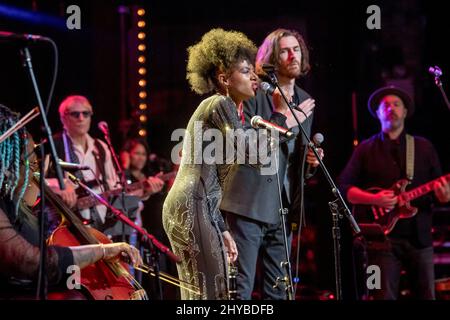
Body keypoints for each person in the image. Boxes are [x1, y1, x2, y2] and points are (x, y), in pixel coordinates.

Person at [220, 28, 323, 300]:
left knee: (279, 289)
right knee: (240, 288)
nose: (292, 56)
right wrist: (283, 120)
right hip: (248, 205)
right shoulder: (253, 91)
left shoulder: (304, 100)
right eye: (285, 51)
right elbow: (245, 146)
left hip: (282, 207)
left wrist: (311, 162)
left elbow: (294, 158)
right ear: (271, 58)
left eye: (296, 49)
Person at [0, 104, 142, 298]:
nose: (35, 167)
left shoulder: (16, 205)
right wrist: (101, 251)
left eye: (35, 160)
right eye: (30, 159)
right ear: (8, 162)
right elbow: (31, 261)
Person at [162, 28, 264, 300]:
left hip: (194, 205)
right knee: (213, 293)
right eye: (245, 71)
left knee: (199, 294)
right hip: (191, 204)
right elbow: (250, 152)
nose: (254, 77)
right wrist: (280, 120)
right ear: (223, 79)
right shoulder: (220, 102)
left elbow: (214, 185)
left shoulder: (226, 111)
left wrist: (222, 230)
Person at [338, 86, 450, 299]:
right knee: (379, 294)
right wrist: (374, 199)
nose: (392, 108)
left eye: (397, 104)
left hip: (420, 239)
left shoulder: (424, 147)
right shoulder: (365, 149)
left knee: (426, 295)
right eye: (386, 105)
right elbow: (343, 187)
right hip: (379, 243)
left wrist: (445, 196)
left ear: (406, 112)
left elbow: (441, 194)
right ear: (377, 113)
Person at [45, 95, 163, 242]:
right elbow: (35, 180)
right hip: (65, 226)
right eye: (75, 114)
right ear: (63, 118)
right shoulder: (52, 145)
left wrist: (145, 191)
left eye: (85, 114)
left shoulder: (101, 147)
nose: (81, 118)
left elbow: (114, 190)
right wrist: (60, 186)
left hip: (101, 228)